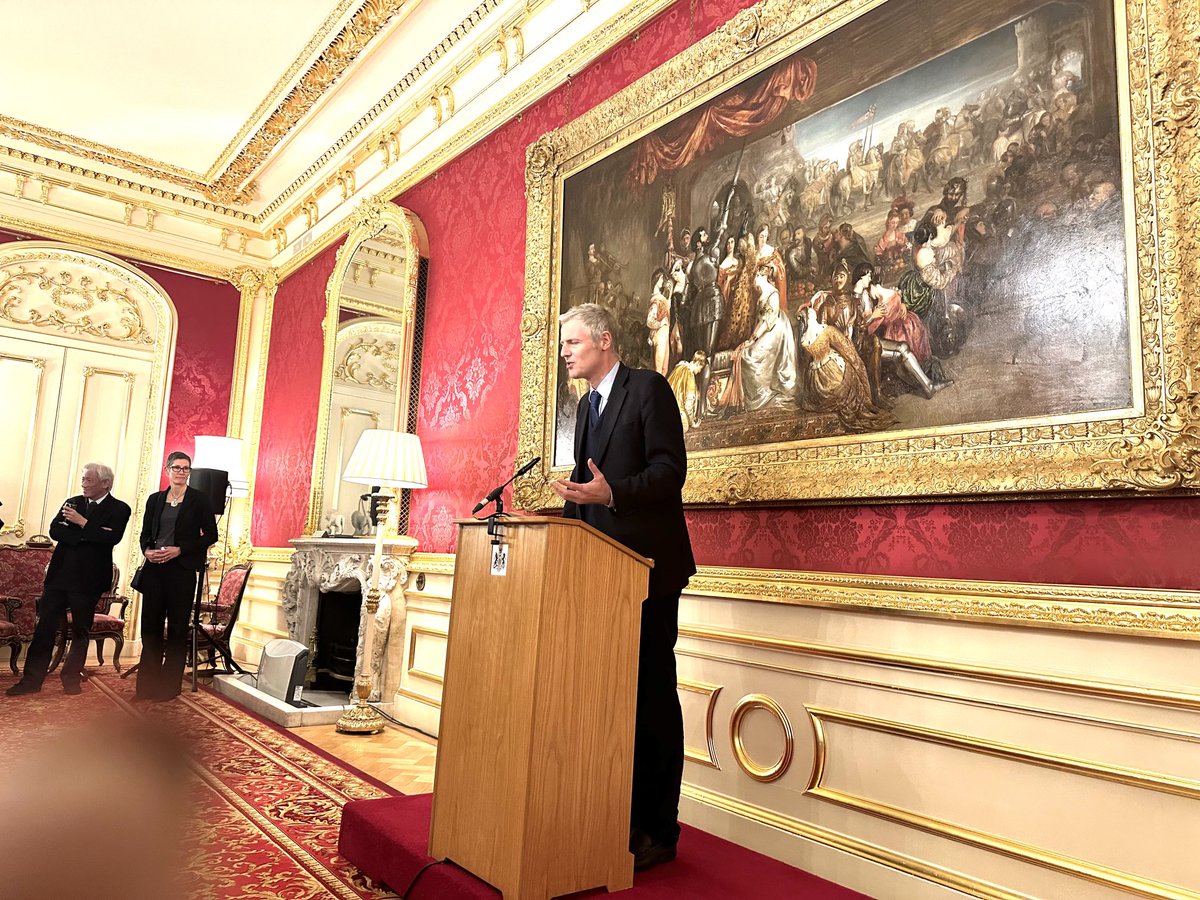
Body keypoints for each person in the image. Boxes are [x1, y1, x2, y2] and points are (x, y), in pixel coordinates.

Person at [552, 302, 695, 873]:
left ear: (605, 341)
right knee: (613, 702)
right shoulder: (587, 405)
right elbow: (588, 489)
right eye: (564, 345)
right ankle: (620, 814)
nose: (566, 352)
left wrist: (611, 495)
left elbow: (670, 472)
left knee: (653, 698)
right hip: (600, 576)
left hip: (650, 574)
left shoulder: (649, 390)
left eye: (573, 343)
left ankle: (660, 829)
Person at [7, 463, 131, 696]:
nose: (83, 484)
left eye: (88, 480)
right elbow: (56, 531)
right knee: (44, 629)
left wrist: (81, 523)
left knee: (80, 631)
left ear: (105, 483)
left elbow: (111, 538)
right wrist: (90, 534)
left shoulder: (119, 508)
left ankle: (71, 678)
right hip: (59, 576)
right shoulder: (72, 502)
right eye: (83, 479)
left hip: (89, 580)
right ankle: (31, 681)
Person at [134, 451, 218, 701]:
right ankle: (146, 687)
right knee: (150, 628)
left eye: (186, 468)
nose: (181, 472)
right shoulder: (155, 499)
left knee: (178, 629)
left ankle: (169, 688)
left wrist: (180, 550)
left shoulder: (199, 500)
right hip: (154, 571)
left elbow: (211, 535)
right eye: (177, 467)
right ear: (167, 470)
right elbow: (145, 533)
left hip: (181, 571)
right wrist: (147, 551)